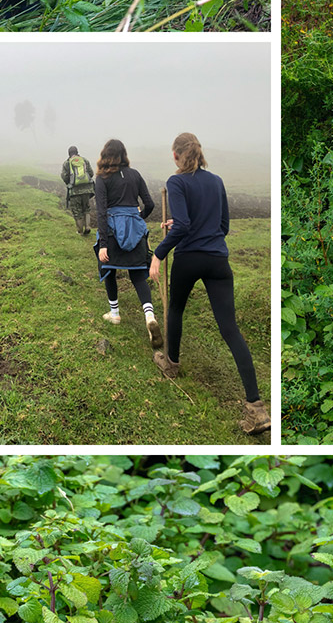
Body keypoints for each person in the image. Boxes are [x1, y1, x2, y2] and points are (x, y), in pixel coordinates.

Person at [148, 132, 271, 435]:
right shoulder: (215, 181)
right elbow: (223, 225)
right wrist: (181, 226)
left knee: (176, 309)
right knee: (230, 329)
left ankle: (172, 364)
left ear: (177, 156)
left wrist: (158, 253)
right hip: (218, 260)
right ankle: (257, 408)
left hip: (189, 259)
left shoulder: (176, 182)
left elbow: (186, 225)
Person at [93, 139, 163, 349]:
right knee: (138, 274)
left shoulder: (101, 179)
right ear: (124, 155)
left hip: (112, 233)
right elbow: (149, 204)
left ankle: (114, 313)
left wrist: (103, 244)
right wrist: (139, 218)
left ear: (105, 155)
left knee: (109, 271)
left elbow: (101, 212)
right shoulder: (135, 175)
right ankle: (149, 316)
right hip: (135, 230)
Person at [61, 145, 95, 234]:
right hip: (87, 190)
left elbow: (64, 176)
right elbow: (91, 173)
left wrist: (70, 183)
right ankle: (87, 226)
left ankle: (80, 231)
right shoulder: (84, 161)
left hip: (74, 191)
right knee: (86, 209)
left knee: (77, 211)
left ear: (69, 154)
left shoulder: (67, 163)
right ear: (77, 152)